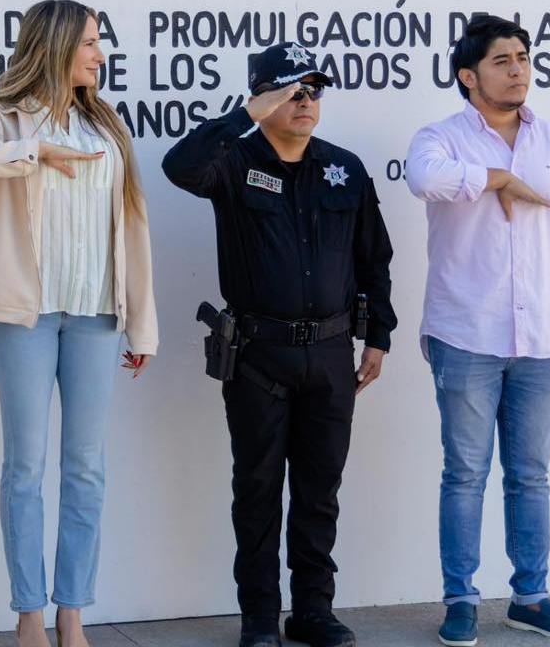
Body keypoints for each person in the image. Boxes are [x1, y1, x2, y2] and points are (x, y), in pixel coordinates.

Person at [0, 0, 158, 647]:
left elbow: (134, 227)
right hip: (23, 317)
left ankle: (72, 613)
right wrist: (34, 152)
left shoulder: (108, 125)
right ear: (56, 45)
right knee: (24, 468)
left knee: (87, 466)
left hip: (97, 315)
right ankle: (29, 615)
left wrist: (140, 324)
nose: (99, 53)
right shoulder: (2, 119)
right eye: (90, 42)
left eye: (99, 43)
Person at [162, 42, 396, 647]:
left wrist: (378, 336)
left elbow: (375, 258)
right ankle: (261, 616)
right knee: (259, 487)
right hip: (258, 355)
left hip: (331, 353)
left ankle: (313, 609)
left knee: (321, 488)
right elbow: (178, 166)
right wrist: (247, 114)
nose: (306, 101)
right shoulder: (232, 164)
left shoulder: (343, 167)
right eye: (293, 90)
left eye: (315, 90)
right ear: (264, 96)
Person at [406, 15, 550, 646]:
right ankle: (461, 599)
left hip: (541, 338)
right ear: (469, 76)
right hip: (465, 332)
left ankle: (531, 597)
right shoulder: (440, 137)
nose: (518, 68)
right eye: (502, 60)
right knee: (465, 472)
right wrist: (494, 177)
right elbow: (422, 179)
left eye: (523, 56)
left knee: (531, 475)